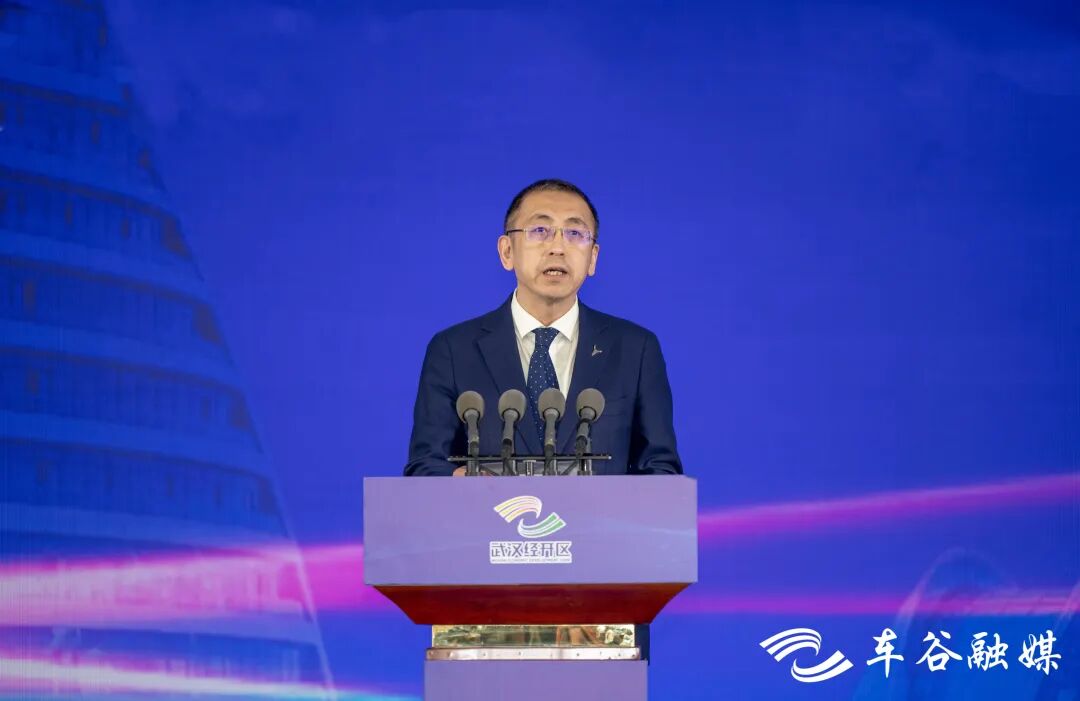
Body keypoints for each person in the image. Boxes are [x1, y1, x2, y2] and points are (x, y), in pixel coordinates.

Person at [405, 178, 682, 477]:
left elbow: (661, 471)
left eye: (575, 233)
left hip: (599, 511)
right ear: (507, 251)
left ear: (593, 258)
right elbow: (425, 468)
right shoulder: (453, 350)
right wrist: (469, 485)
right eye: (540, 230)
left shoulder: (635, 350)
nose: (558, 247)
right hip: (491, 510)